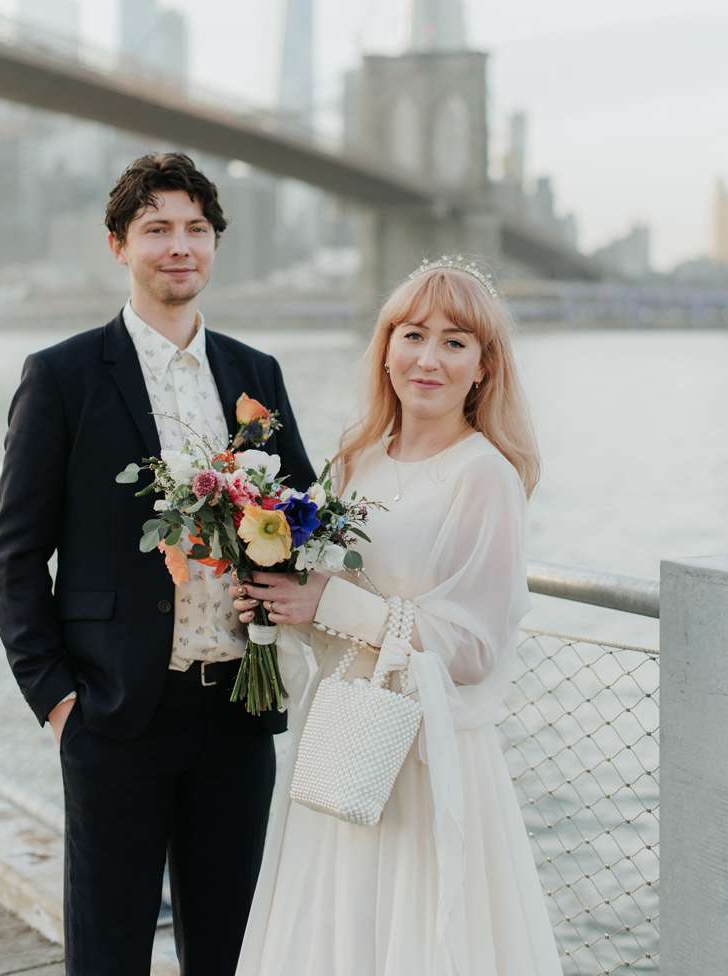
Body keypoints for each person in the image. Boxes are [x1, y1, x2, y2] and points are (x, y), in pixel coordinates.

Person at [0, 152, 315, 976]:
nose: (179, 246)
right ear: (118, 245)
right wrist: (58, 700)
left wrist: (290, 585)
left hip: (237, 710)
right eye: (156, 228)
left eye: (196, 229)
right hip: (112, 713)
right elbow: (18, 555)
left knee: (229, 950)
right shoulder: (61, 376)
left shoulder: (255, 374)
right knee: (108, 950)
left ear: (215, 244)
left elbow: (301, 518)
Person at [229, 258, 563, 976]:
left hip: (423, 756)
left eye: (454, 342)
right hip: (340, 740)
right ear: (385, 349)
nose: (428, 359)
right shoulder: (355, 462)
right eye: (413, 335)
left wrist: (329, 602)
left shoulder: (485, 476)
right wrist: (277, 603)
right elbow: (330, 615)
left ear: (483, 367)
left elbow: (473, 646)